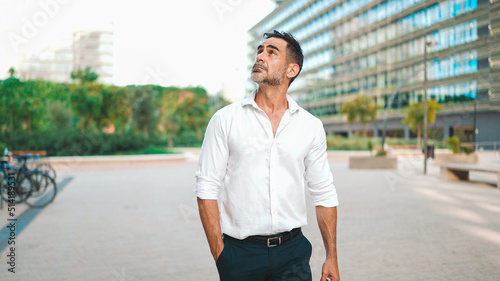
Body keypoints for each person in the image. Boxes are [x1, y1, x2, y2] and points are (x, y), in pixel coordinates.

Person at [196, 30, 340, 281]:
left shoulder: (310, 126)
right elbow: (207, 188)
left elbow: (324, 191)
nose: (261, 56)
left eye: (272, 52)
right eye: (260, 50)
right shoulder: (225, 120)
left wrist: (332, 256)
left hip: (293, 254)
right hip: (239, 255)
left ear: (291, 70)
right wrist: (220, 254)